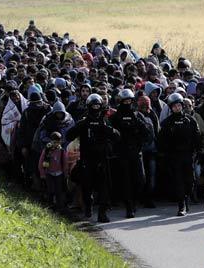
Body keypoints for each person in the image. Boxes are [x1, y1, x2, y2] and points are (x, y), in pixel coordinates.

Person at [66, 94, 120, 223]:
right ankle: (88, 205)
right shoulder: (84, 122)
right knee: (86, 187)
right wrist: (80, 127)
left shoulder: (105, 121)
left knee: (104, 188)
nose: (96, 108)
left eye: (98, 105)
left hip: (102, 160)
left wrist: (107, 129)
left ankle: (102, 213)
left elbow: (117, 136)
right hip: (87, 160)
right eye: (93, 105)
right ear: (89, 106)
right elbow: (69, 135)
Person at [158, 93, 201, 216]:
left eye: (179, 105)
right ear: (171, 108)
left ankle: (187, 200)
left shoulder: (190, 120)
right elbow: (162, 141)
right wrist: (165, 155)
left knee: (190, 181)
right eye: (174, 106)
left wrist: (199, 151)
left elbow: (197, 137)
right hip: (174, 156)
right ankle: (181, 205)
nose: (177, 108)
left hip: (188, 155)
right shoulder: (167, 123)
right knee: (178, 181)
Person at [109, 89, 147, 218]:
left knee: (140, 180)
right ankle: (129, 206)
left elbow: (146, 132)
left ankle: (135, 202)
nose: (127, 103)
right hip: (122, 154)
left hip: (136, 153)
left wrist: (140, 141)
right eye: (125, 101)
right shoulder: (114, 117)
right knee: (126, 182)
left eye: (129, 101)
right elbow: (110, 135)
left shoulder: (137, 116)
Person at [38, 132, 68, 212]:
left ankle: (60, 207)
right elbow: (41, 162)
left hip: (59, 173)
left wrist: (65, 174)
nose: (56, 144)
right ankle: (50, 206)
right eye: (54, 142)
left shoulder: (61, 151)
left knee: (59, 191)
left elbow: (65, 163)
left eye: (58, 142)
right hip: (49, 173)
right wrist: (42, 173)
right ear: (51, 141)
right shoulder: (47, 150)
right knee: (50, 190)